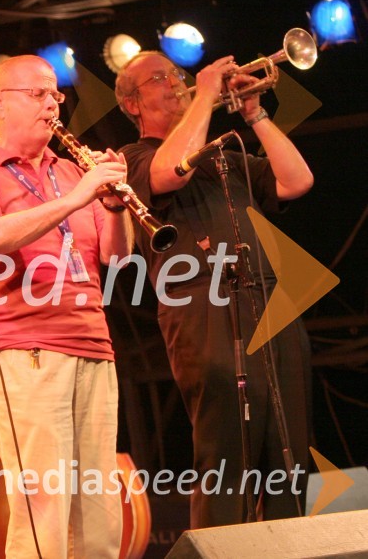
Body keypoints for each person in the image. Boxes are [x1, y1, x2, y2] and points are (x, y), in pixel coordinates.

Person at [114, 52, 314, 528]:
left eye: (178, 75)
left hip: (268, 298)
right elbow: (168, 172)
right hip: (201, 304)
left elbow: (297, 180)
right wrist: (204, 93)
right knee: (226, 453)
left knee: (291, 453)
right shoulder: (132, 158)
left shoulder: (223, 156)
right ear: (131, 104)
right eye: (159, 78)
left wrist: (254, 113)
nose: (175, 83)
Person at [0, 55, 132, 559]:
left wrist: (114, 206)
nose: (53, 104)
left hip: (92, 344)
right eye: (39, 94)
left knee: (99, 509)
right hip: (24, 350)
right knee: (43, 509)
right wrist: (80, 198)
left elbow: (115, 258)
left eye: (55, 95)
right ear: (1, 104)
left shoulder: (73, 170)